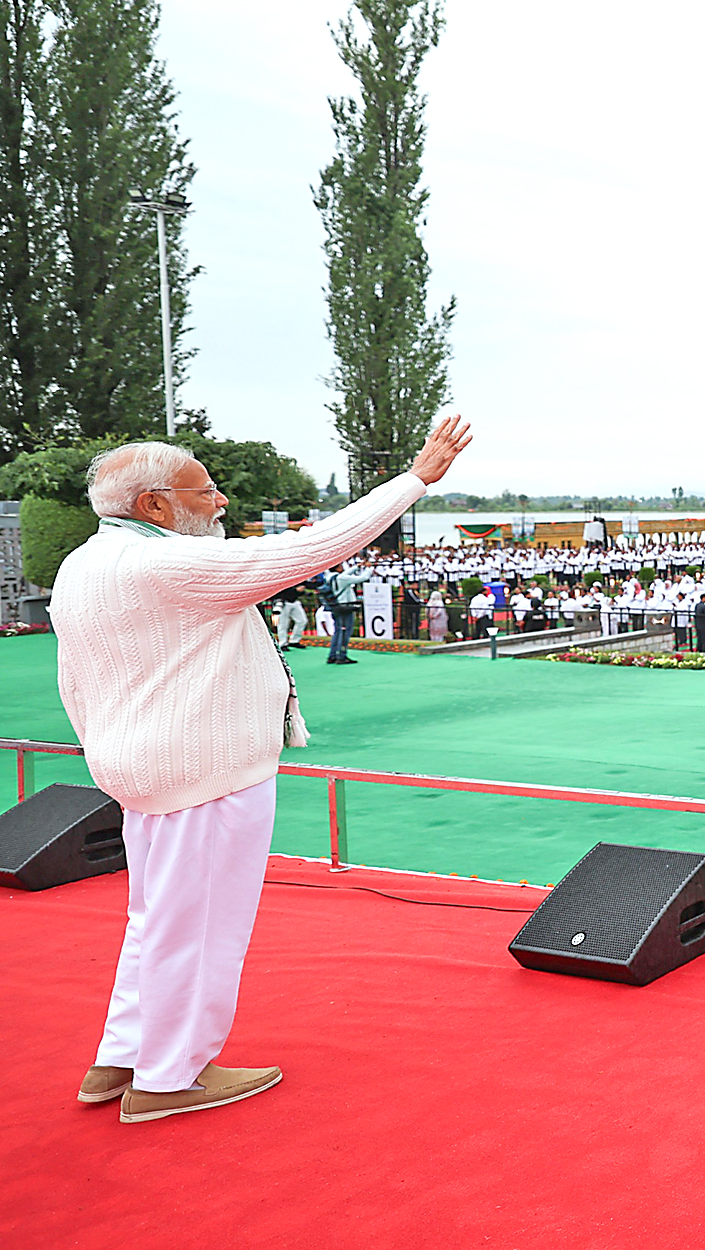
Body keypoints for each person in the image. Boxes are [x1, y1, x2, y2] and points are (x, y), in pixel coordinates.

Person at [52, 416, 471, 1122]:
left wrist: (110, 752)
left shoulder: (84, 563)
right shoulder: (167, 563)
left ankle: (121, 1058)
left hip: (140, 771)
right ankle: (170, 1076)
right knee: (202, 926)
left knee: (156, 919)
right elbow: (312, 548)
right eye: (205, 489)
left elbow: (74, 682)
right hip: (203, 775)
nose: (221, 502)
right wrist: (416, 479)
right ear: (154, 505)